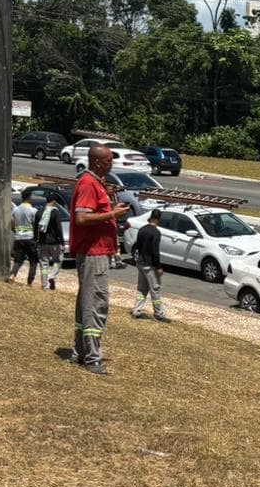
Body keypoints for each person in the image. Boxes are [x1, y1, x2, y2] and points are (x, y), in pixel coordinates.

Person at [70, 143, 130, 374]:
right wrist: (113, 214)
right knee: (96, 303)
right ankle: (93, 358)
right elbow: (82, 218)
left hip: (99, 252)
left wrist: (112, 211)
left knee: (86, 303)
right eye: (108, 161)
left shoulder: (97, 183)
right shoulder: (88, 184)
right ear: (96, 162)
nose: (111, 164)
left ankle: (80, 352)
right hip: (93, 254)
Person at [131, 209, 170, 322]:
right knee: (155, 289)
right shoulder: (156, 233)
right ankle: (159, 314)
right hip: (150, 265)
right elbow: (155, 252)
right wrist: (158, 267)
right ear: (158, 219)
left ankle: (137, 310)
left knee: (142, 289)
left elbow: (137, 245)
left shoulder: (142, 230)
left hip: (140, 262)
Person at [8, 192, 39, 286]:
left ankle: (12, 275)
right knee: (33, 261)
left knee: (18, 260)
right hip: (30, 238)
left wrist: (17, 232)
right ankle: (29, 282)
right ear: (29, 198)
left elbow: (12, 225)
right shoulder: (33, 211)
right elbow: (35, 225)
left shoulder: (15, 210)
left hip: (18, 238)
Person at [36, 198, 65, 290]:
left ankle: (44, 285)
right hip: (54, 242)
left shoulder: (39, 212)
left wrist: (35, 240)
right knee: (57, 261)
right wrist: (62, 241)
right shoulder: (55, 213)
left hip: (42, 242)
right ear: (53, 201)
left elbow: (35, 228)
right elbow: (58, 228)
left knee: (44, 264)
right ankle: (52, 276)